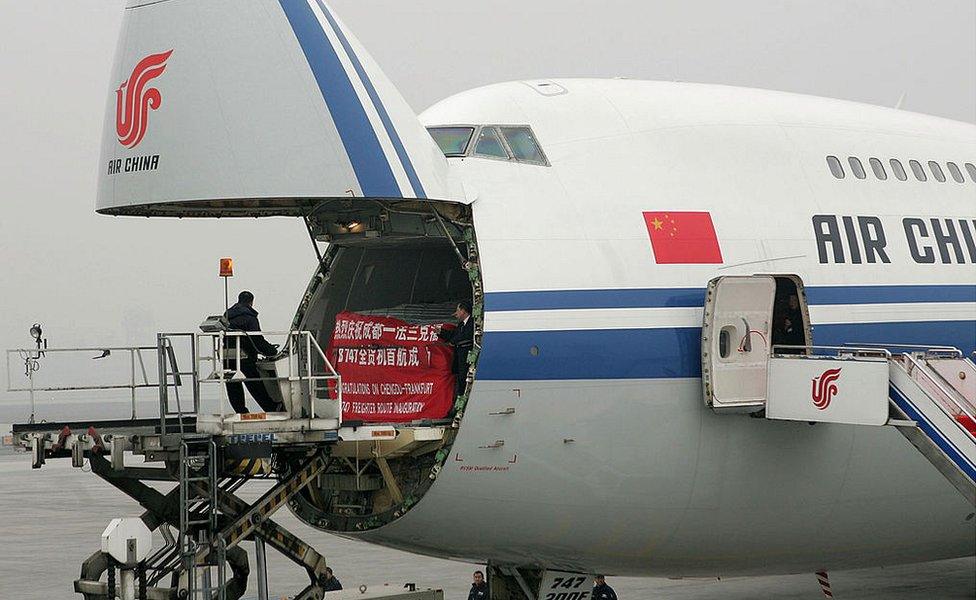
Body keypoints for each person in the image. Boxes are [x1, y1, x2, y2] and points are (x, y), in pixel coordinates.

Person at [223, 291, 282, 414]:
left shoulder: (227, 317)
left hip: (227, 356)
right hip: (245, 356)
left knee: (232, 384)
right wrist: (272, 351)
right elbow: (257, 340)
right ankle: (271, 407)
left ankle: (240, 411)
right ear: (251, 302)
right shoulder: (250, 318)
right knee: (255, 383)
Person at [438, 300, 474, 396]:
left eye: (457, 311)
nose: (455, 314)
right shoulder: (461, 325)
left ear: (463, 311)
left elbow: (465, 336)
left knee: (464, 378)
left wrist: (452, 342)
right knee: (460, 378)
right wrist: (440, 332)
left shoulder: (472, 323)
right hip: (459, 358)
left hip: (466, 358)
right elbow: (454, 335)